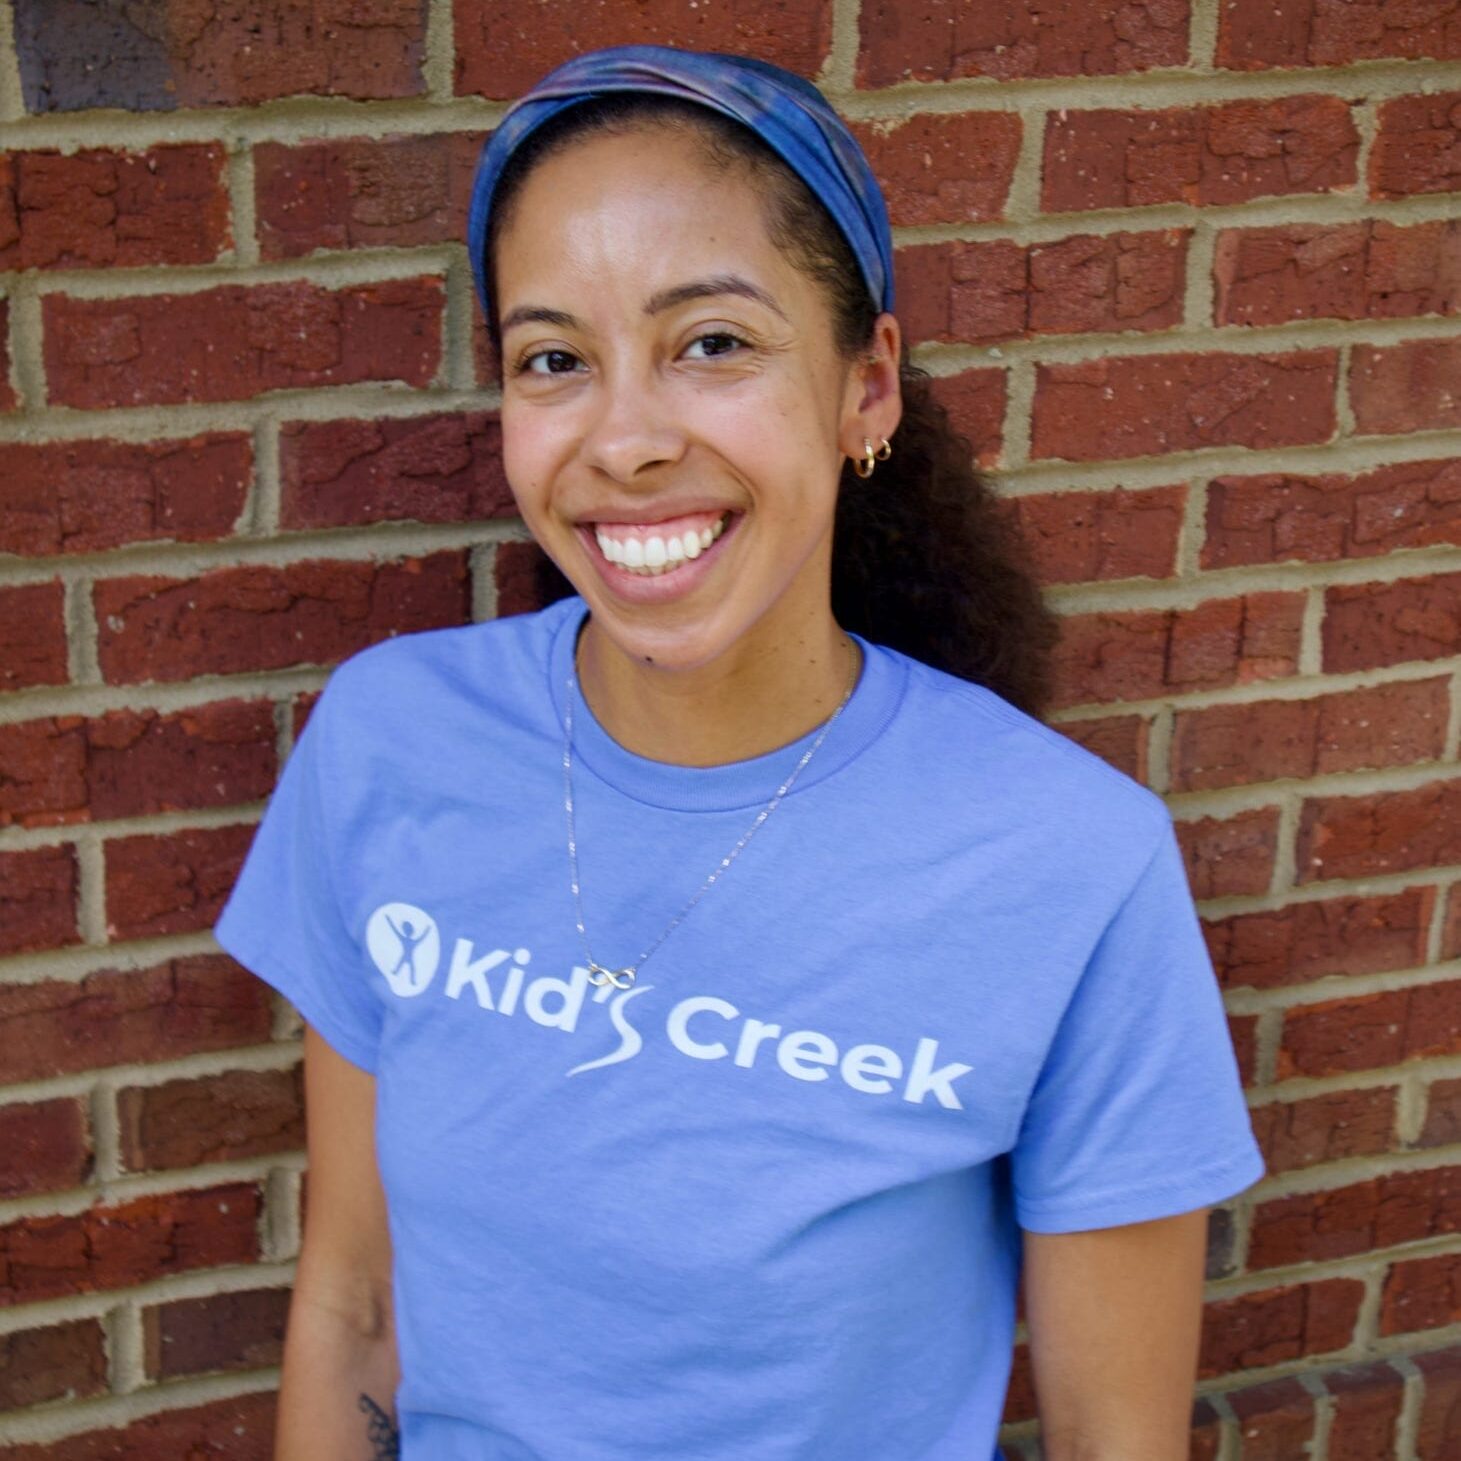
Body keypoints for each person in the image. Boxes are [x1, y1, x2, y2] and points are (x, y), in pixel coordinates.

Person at [214, 45, 1265, 1461]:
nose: (626, 436)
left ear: (865, 387)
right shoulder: (389, 742)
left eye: (711, 342)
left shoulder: (1068, 859)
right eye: (554, 359)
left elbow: (1109, 1439)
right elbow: (354, 1302)